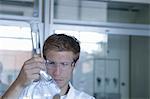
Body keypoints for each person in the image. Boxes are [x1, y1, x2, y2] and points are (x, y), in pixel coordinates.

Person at [1, 34, 95, 99]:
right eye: (51, 63)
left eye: (64, 64)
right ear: (43, 62)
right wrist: (19, 83)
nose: (57, 72)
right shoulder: (27, 93)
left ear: (74, 65)